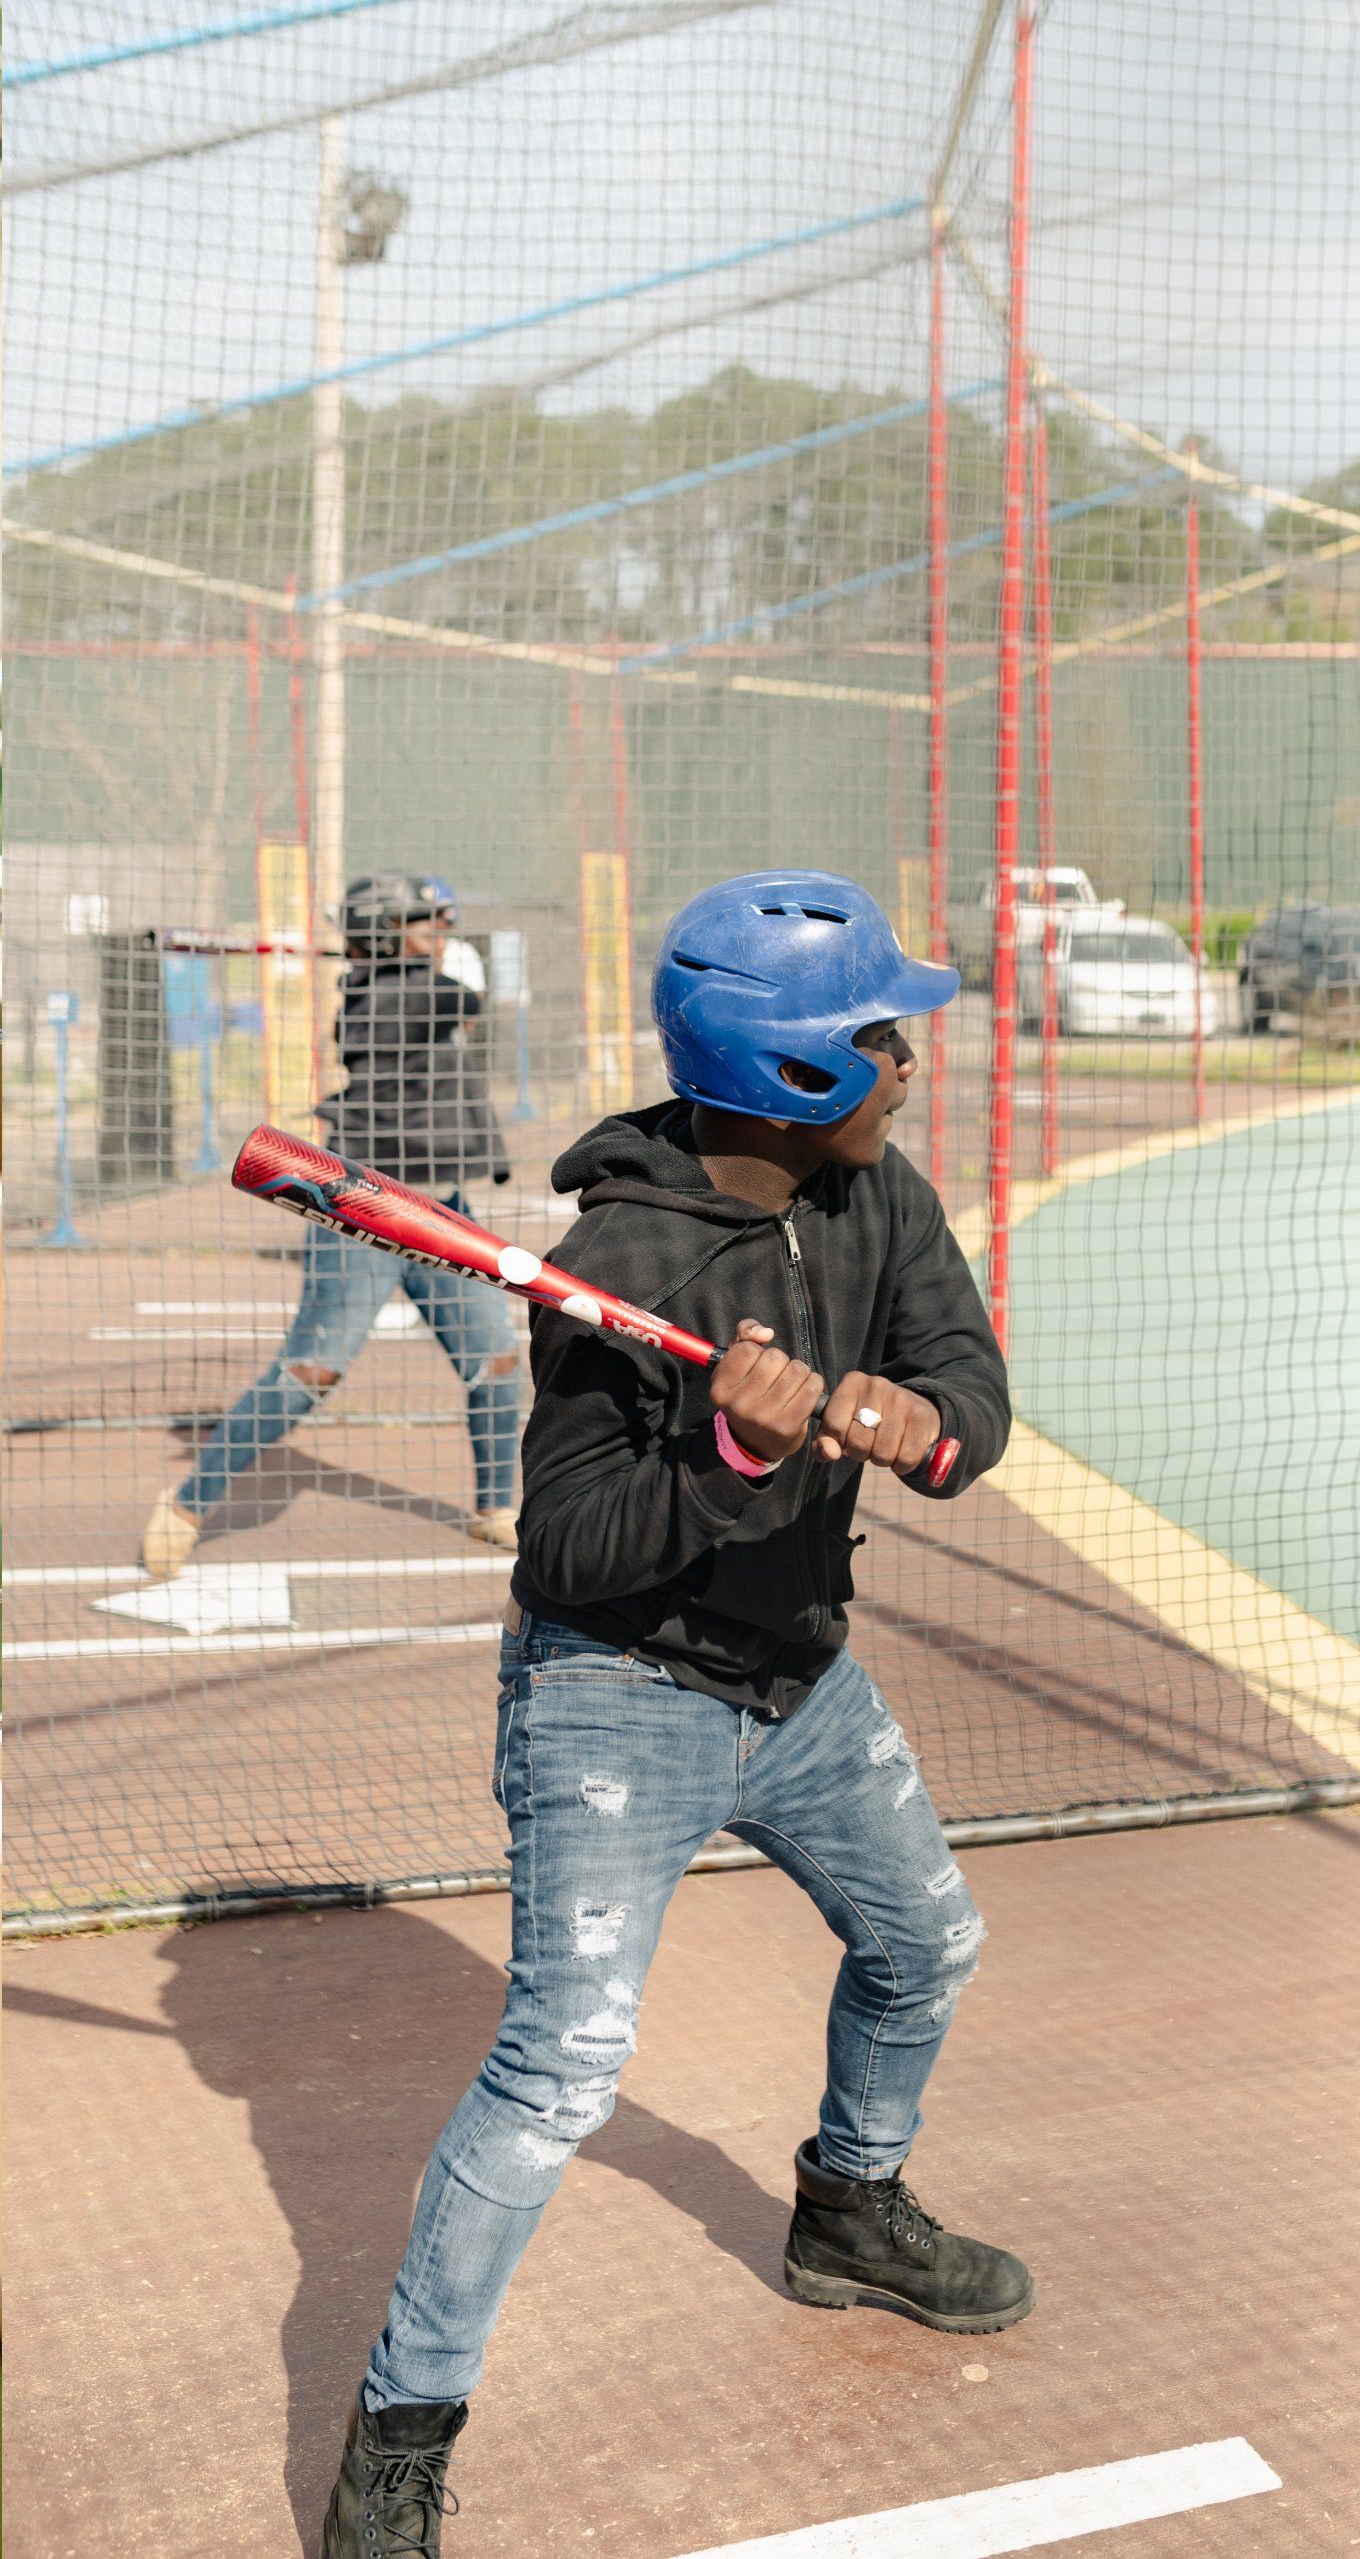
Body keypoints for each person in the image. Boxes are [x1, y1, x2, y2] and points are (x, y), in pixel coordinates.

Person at [320, 870, 1025, 2558]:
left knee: (927, 1941)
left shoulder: (879, 1197)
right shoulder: (622, 1260)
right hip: (614, 1695)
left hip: (801, 1677)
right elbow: (568, 1546)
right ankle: (400, 2430)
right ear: (792, 1074)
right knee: (561, 2065)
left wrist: (917, 1423)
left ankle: (848, 2206)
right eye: (878, 1040)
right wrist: (731, 1455)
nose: (908, 1064)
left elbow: (972, 1392)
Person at [140, 871, 523, 1581]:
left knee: (496, 1360)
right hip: (362, 1210)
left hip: (437, 1209)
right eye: (425, 923)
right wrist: (458, 972)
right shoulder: (390, 997)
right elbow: (463, 1001)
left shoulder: (401, 987)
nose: (442, 933)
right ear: (385, 933)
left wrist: (431, 959)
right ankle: (187, 1505)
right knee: (311, 1372)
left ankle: (495, 1506)